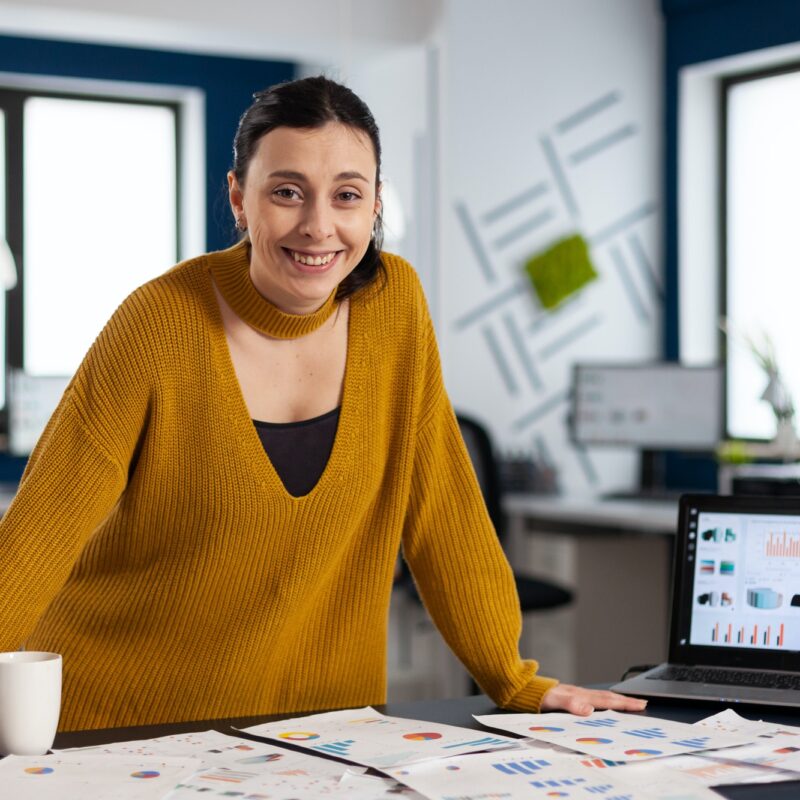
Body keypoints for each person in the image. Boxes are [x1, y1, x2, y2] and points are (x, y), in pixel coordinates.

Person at [0, 76, 644, 731]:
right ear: (239, 199)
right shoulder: (158, 323)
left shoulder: (395, 307)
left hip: (322, 736)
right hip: (125, 727)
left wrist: (513, 680)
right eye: (287, 192)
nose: (318, 226)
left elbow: (444, 509)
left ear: (374, 207)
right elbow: (36, 540)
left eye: (346, 196)